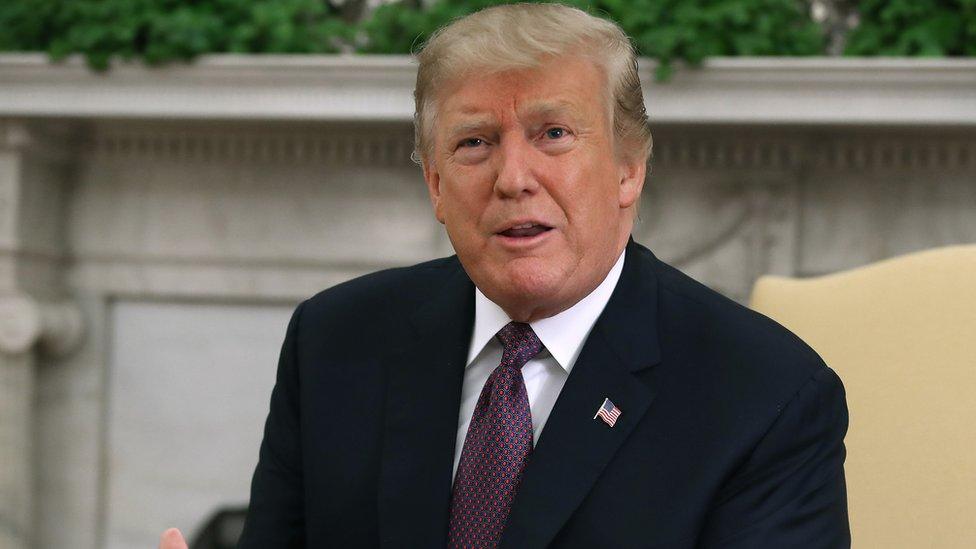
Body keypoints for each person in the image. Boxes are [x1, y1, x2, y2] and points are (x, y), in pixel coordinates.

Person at [160, 3, 850, 548]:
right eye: (474, 143)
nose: (513, 179)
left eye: (554, 133)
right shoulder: (335, 340)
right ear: (434, 182)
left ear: (628, 169)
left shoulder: (765, 394)